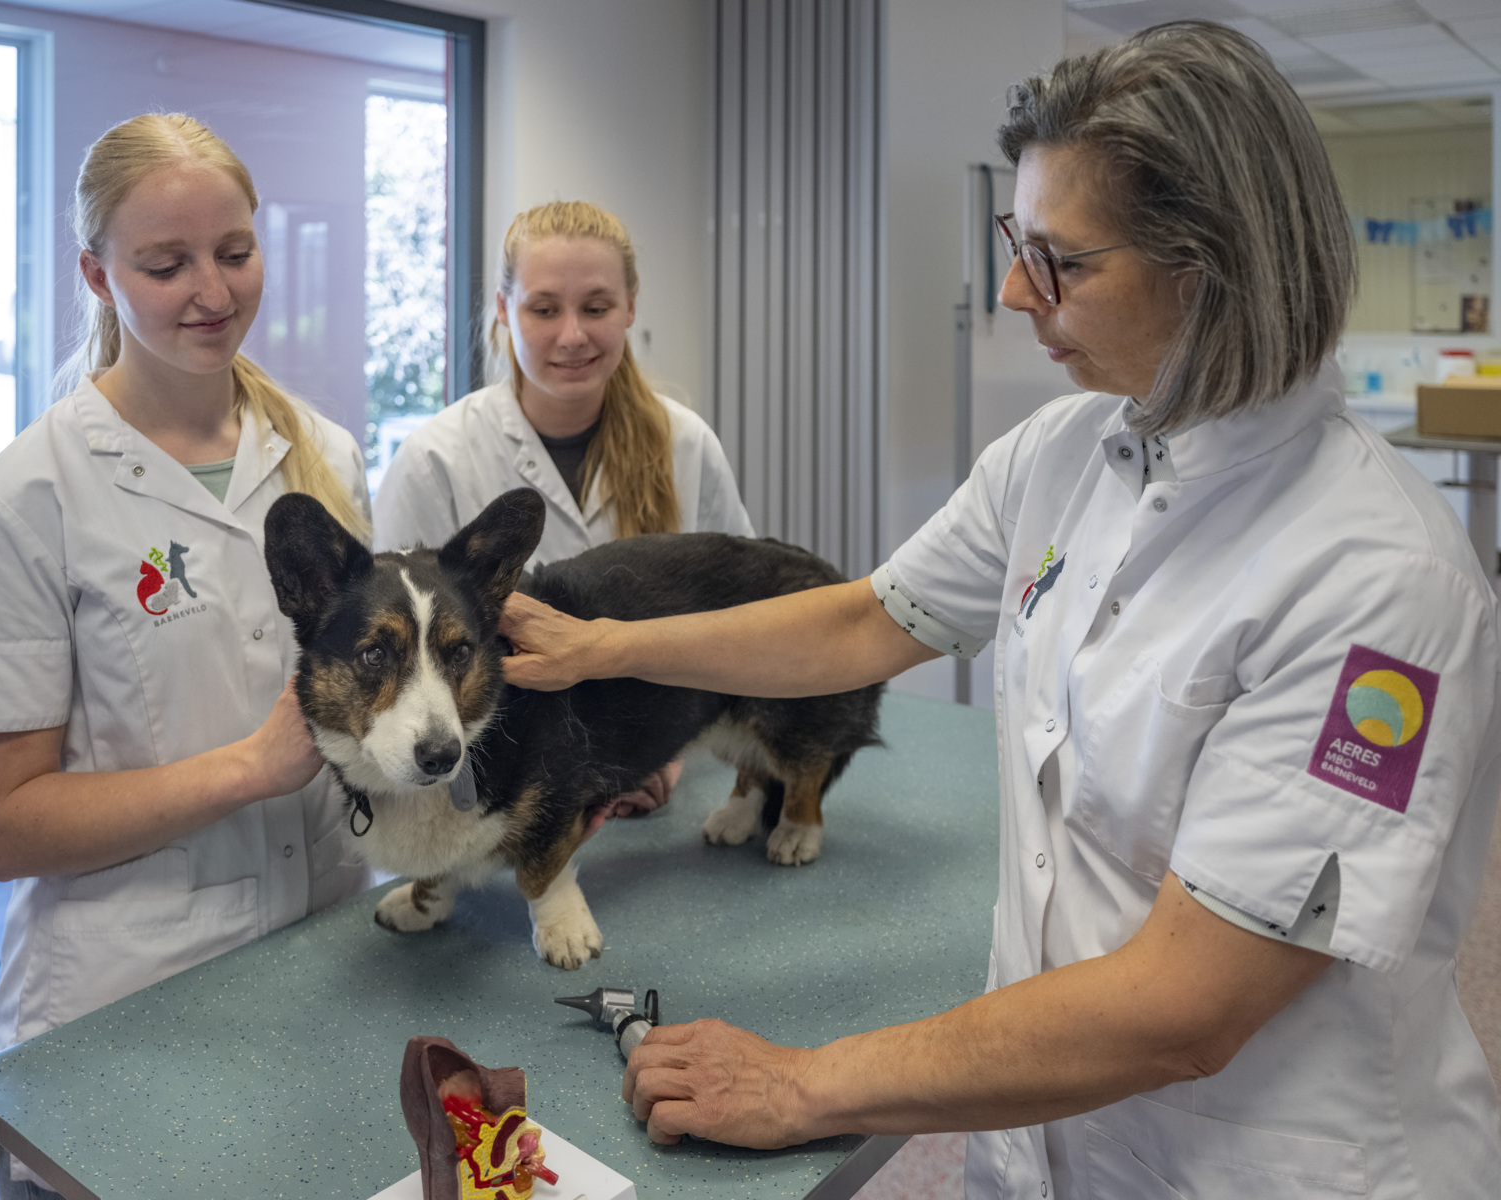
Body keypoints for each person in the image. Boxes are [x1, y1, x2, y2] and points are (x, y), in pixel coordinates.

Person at [498, 23, 1501, 1199]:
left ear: (1211, 265)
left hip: (1253, 1164)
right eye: (1015, 245)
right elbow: (862, 623)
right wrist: (603, 646)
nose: (1018, 291)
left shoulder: (1377, 584)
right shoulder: (1064, 454)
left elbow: (1188, 1009)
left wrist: (804, 1084)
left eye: (1060, 261)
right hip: (1039, 1141)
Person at [0, 113, 372, 1199]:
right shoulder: (25, 498)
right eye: (166, 265)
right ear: (97, 274)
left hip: (328, 965)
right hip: (122, 1010)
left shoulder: (328, 459)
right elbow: (1, 826)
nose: (212, 293)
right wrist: (248, 769)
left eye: (235, 252)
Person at [374, 200, 753, 824]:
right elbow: (393, 651)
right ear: (504, 310)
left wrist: (662, 747)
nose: (572, 335)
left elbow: (734, 619)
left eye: (596, 308)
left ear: (630, 307)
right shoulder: (435, 460)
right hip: (489, 804)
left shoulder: (686, 446)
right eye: (544, 309)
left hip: (664, 796)